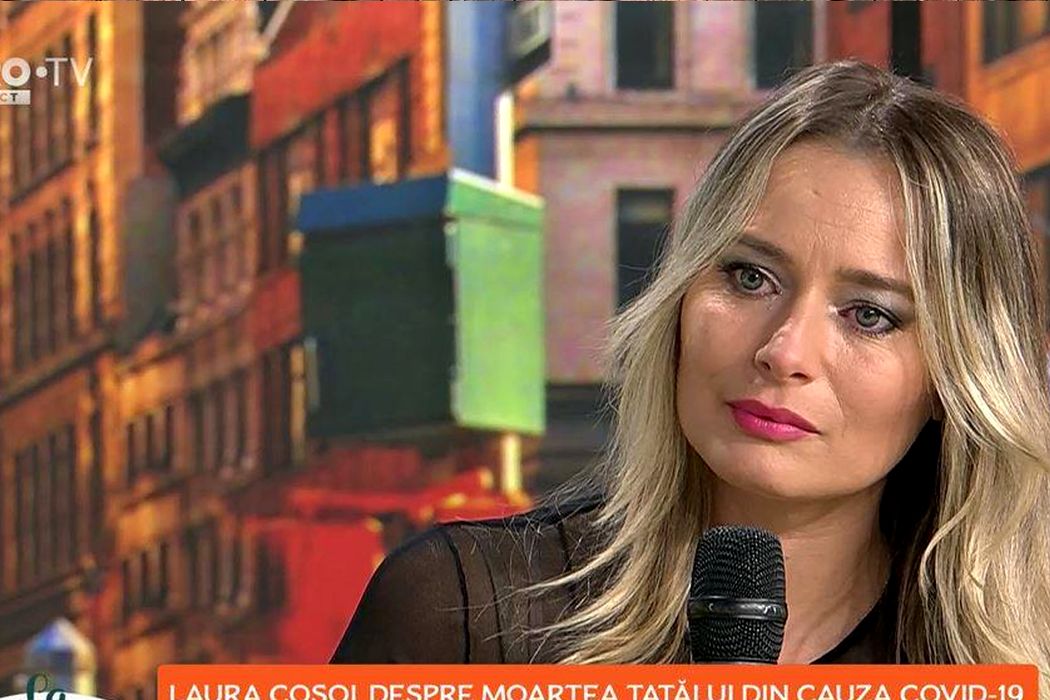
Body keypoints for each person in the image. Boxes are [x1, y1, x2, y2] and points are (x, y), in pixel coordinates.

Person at [329, 61, 1050, 679]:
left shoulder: (1017, 661)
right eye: (749, 277)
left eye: (869, 315)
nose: (785, 352)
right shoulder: (457, 614)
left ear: (954, 377)